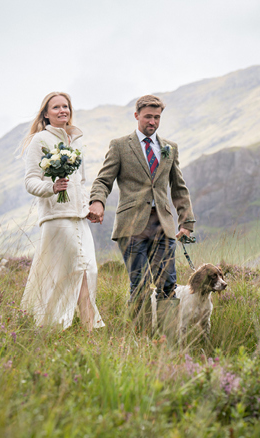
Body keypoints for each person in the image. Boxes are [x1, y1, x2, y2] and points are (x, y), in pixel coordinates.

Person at [87, 94, 195, 332]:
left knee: (168, 284)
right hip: (131, 226)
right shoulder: (119, 146)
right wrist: (97, 201)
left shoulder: (170, 148)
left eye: (157, 117)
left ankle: (168, 338)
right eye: (148, 117)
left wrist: (186, 221)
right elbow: (103, 180)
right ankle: (140, 338)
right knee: (140, 284)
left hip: (163, 227)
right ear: (136, 116)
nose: (152, 122)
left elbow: (178, 187)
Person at [20, 92, 104, 331]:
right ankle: (72, 326)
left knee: (89, 269)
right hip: (56, 218)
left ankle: (67, 325)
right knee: (73, 271)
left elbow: (82, 181)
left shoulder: (75, 141)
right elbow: (30, 181)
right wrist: (52, 187)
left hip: (78, 218)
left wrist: (87, 208)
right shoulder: (40, 141)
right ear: (46, 113)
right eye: (56, 107)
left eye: (65, 106)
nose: (62, 110)